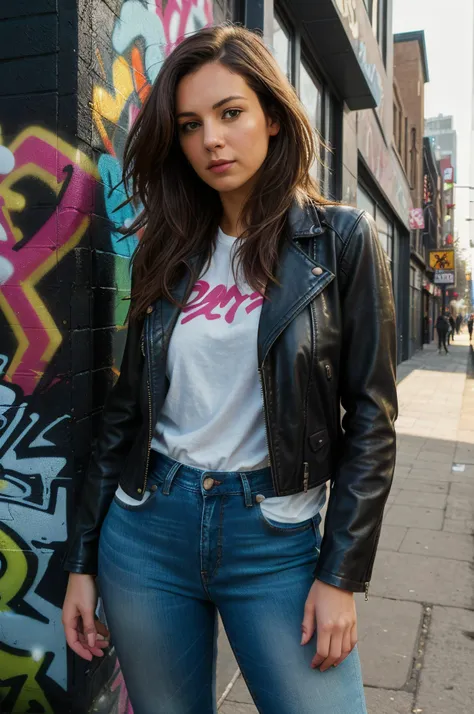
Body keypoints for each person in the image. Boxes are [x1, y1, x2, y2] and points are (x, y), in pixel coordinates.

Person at [61, 25, 397, 714]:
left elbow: (371, 420)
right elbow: (127, 412)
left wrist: (340, 574)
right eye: (191, 125)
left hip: (272, 539)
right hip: (149, 530)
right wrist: (82, 561)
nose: (211, 138)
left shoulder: (341, 242)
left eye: (230, 113)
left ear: (272, 117)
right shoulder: (170, 247)